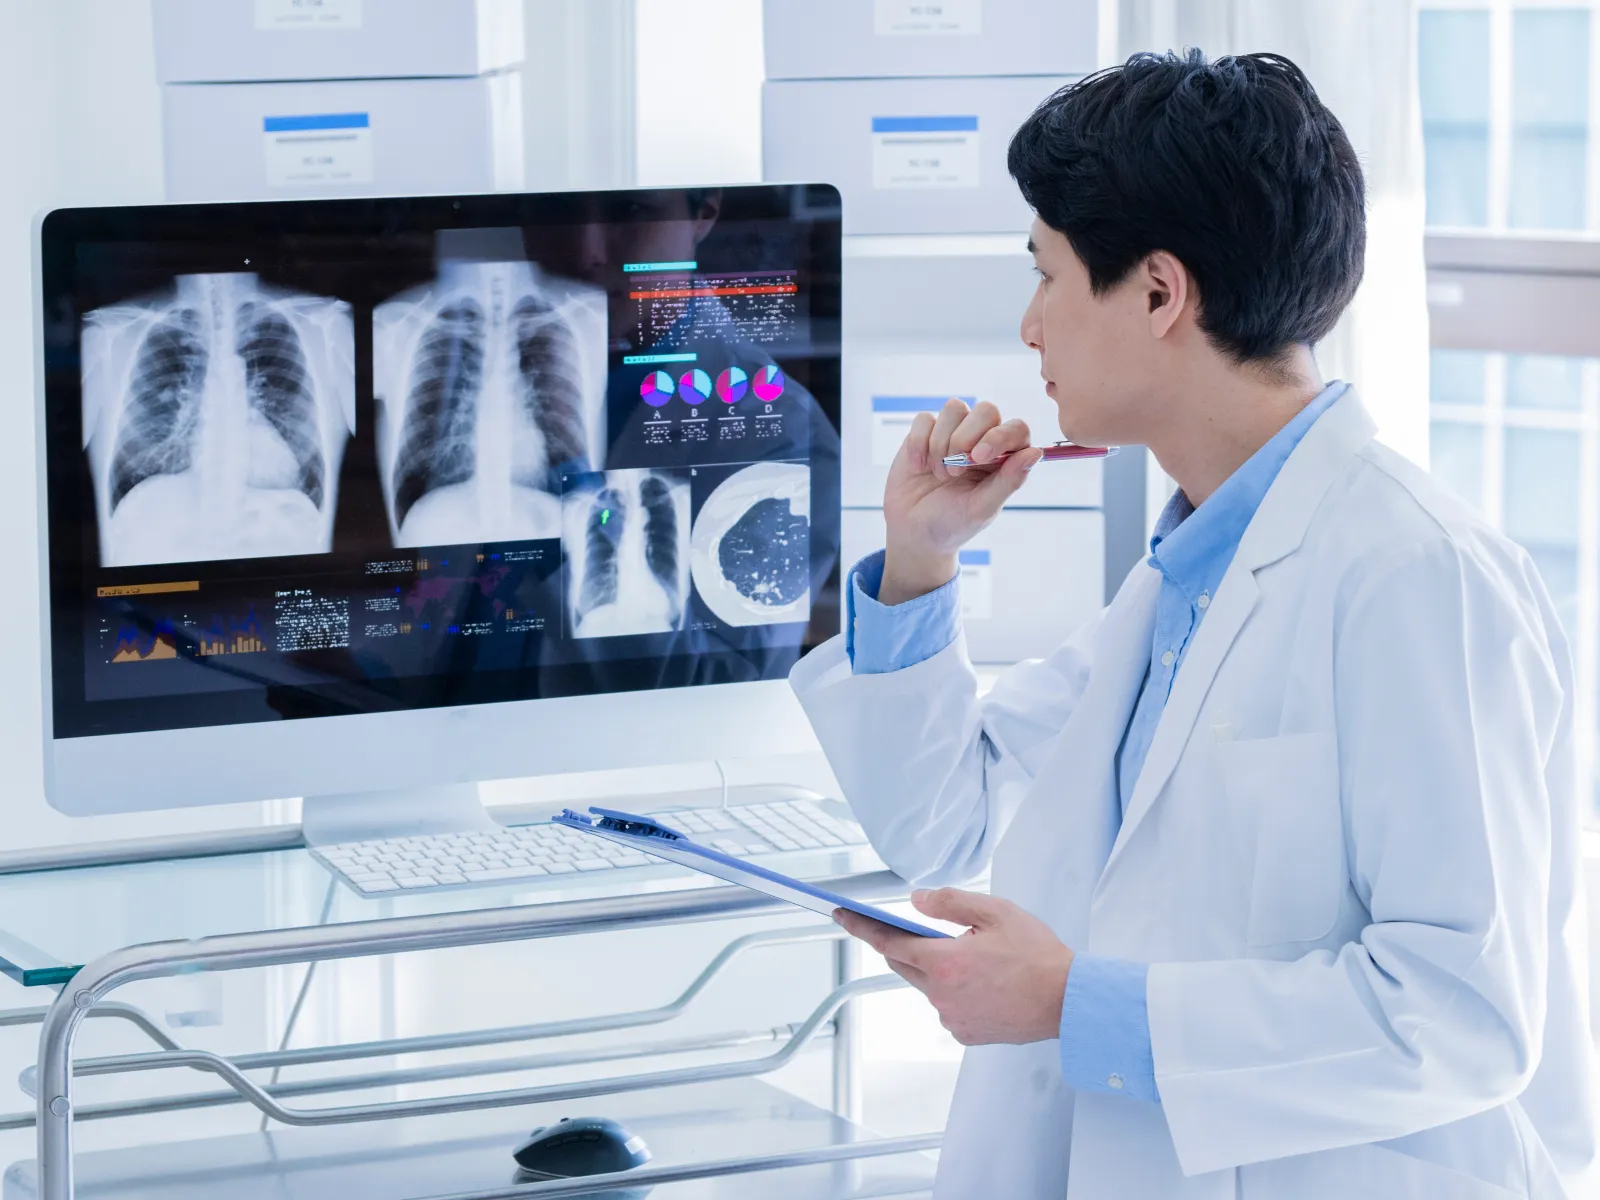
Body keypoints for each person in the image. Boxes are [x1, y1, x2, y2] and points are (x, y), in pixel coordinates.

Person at [790, 50, 1595, 1199]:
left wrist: (1077, 1006)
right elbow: (941, 821)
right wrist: (920, 563)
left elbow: (1461, 1012)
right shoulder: (1180, 582)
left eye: (1048, 278)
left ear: (1160, 293)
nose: (1028, 328)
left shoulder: (1418, 575)